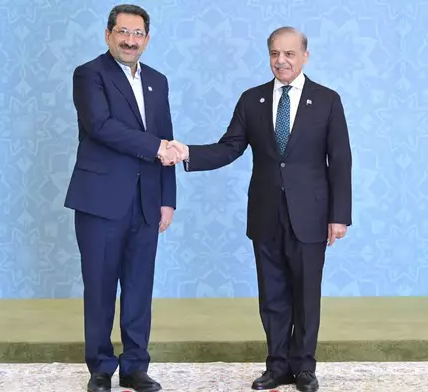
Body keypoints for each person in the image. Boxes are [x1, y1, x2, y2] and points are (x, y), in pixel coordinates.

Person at [166, 26, 353, 392]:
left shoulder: (327, 100)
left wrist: (339, 215)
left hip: (312, 215)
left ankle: (304, 368)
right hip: (266, 213)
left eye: (289, 54)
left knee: (305, 295)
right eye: (274, 54)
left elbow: (341, 159)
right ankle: (277, 366)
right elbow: (230, 147)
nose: (281, 61)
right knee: (272, 295)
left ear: (305, 56)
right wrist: (188, 152)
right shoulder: (253, 100)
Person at [64, 4, 181, 392]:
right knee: (99, 286)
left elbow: (166, 133)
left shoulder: (158, 81)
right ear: (108, 34)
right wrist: (157, 147)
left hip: (147, 201)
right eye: (123, 32)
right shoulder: (89, 75)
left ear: (147, 39)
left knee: (138, 287)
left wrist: (168, 198)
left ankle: (134, 367)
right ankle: (100, 368)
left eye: (138, 34)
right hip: (100, 199)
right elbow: (101, 126)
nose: (130, 40)